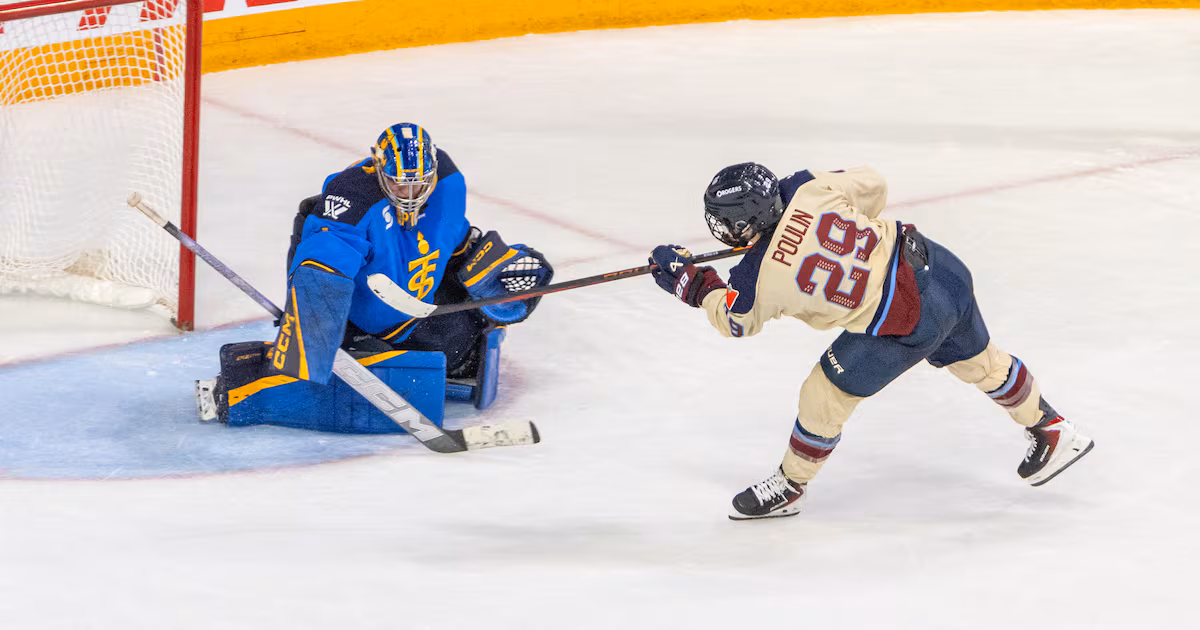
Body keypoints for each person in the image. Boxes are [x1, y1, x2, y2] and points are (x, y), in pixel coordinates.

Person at [648, 163, 1093, 520]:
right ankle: (1053, 429)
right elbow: (873, 186)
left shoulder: (757, 277)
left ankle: (790, 484)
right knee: (982, 362)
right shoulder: (806, 187)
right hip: (939, 268)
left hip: (906, 322)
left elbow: (736, 321)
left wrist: (694, 284)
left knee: (823, 393)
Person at [194, 123, 553, 432]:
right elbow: (323, 265)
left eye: (419, 184)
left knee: (481, 323)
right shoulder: (352, 197)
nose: (411, 194)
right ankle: (247, 384)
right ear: (380, 169)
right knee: (451, 344)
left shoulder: (446, 180)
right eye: (400, 186)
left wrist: (486, 259)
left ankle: (431, 362)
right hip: (363, 309)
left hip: (413, 290)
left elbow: (448, 236)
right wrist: (312, 338)